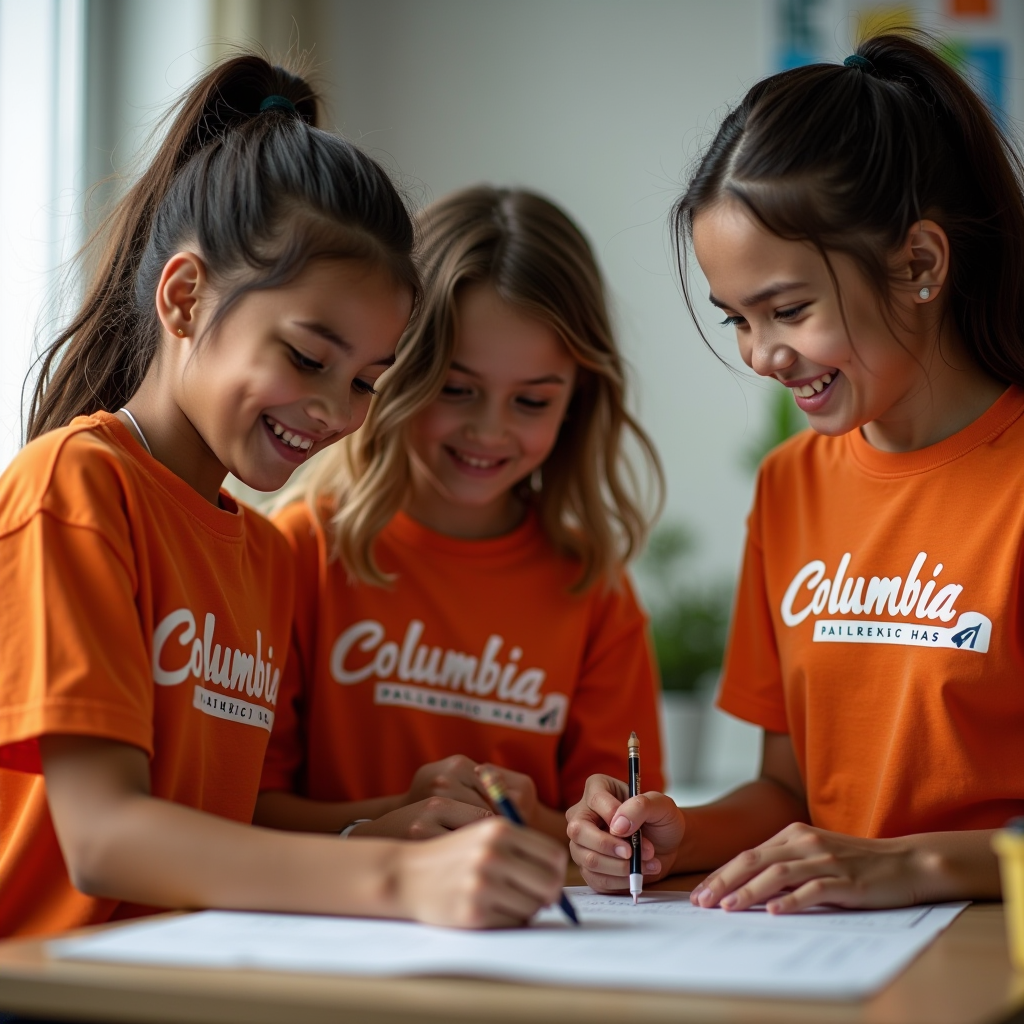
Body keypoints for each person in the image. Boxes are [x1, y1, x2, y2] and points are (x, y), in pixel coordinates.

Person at [0, 58, 566, 938]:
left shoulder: (262, 554)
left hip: (187, 970)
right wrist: (399, 879)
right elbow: (106, 839)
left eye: (367, 381)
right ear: (185, 298)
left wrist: (391, 819)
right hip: (54, 980)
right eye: (307, 358)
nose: (335, 411)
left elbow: (218, 834)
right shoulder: (75, 487)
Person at [566, 32, 1023, 911]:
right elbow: (789, 792)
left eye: (788, 309)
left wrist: (909, 865)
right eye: (736, 318)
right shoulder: (790, 485)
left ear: (920, 264)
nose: (761, 354)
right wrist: (674, 831)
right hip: (835, 945)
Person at [255, 187, 665, 844]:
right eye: (455, 388)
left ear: (577, 402)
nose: (488, 431)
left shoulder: (595, 592)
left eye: (531, 401)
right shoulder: (300, 551)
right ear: (391, 372)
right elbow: (243, 805)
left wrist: (561, 827)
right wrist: (387, 822)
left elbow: (620, 829)